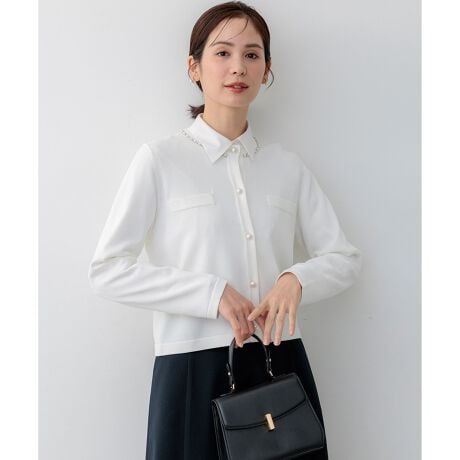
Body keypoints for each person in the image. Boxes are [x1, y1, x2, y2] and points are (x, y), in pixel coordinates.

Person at [88, 2, 362, 459]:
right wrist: (211, 293)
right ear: (194, 66)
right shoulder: (161, 160)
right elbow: (107, 271)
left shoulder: (286, 167)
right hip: (191, 368)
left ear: (266, 69)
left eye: (252, 55)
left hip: (279, 362)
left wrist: (296, 279)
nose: (238, 67)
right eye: (222, 53)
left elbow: (344, 259)